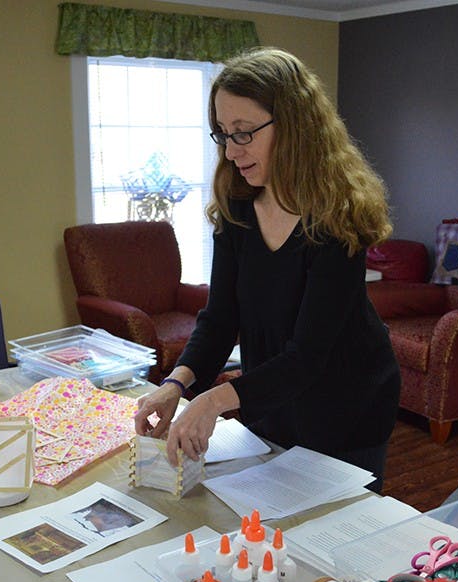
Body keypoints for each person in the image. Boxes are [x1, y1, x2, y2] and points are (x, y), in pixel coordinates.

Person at [133, 47, 400, 492]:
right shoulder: (238, 207)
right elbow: (220, 321)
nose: (232, 151)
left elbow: (308, 355)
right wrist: (177, 384)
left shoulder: (338, 215)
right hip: (272, 396)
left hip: (348, 406)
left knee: (330, 536)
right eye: (222, 134)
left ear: (294, 125)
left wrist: (215, 399)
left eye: (244, 133)